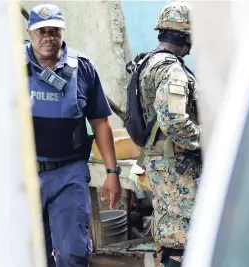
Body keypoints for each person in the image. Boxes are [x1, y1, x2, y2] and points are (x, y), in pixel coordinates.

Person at [24, 4, 122, 267]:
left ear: (63, 31)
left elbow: (100, 122)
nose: (48, 37)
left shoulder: (83, 69)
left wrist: (112, 173)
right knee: (27, 255)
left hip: (68, 172)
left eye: (54, 30)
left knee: (72, 254)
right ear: (29, 33)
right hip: (22, 177)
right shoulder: (9, 67)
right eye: (41, 31)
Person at [137, 1, 202, 266]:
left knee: (171, 234)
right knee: (186, 236)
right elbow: (174, 122)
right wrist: (206, 139)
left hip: (161, 163)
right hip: (178, 167)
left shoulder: (147, 63)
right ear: (186, 35)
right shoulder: (172, 70)